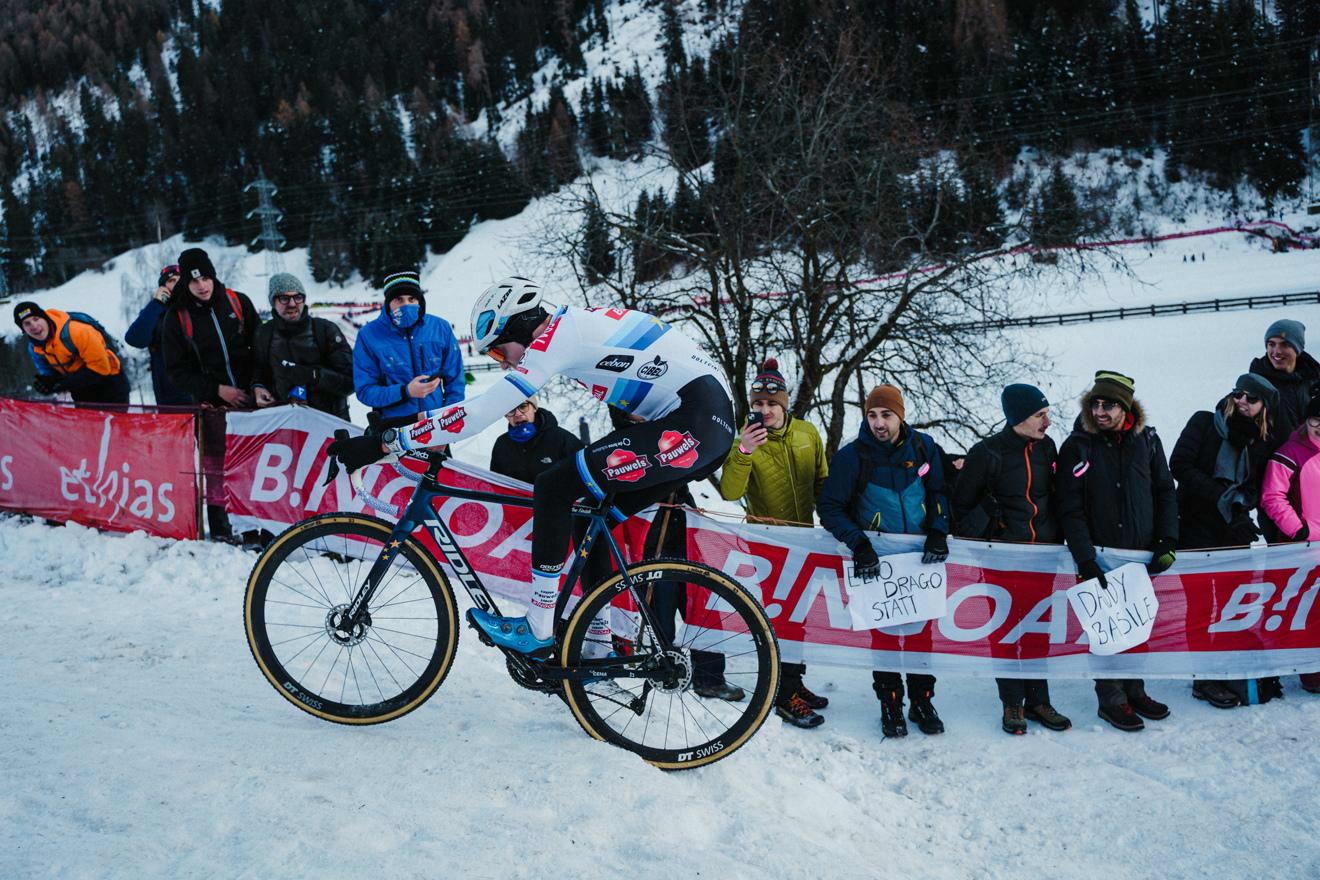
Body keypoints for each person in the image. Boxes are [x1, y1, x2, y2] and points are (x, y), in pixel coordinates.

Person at [328, 277, 737, 663]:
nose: (501, 362)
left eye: (497, 350)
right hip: (701, 425)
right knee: (588, 513)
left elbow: (479, 412)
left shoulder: (558, 335)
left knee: (554, 486)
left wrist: (388, 440)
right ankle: (597, 648)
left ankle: (538, 628)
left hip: (694, 422)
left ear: (519, 324)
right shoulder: (574, 327)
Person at [817, 384, 950, 738]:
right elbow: (829, 508)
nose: (879, 423)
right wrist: (858, 543)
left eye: (886, 415)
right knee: (885, 635)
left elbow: (939, 491)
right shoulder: (852, 457)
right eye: (872, 415)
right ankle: (890, 701)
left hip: (920, 561)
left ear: (900, 415)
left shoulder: (923, 447)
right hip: (877, 561)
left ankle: (922, 700)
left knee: (922, 635)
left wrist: (938, 528)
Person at [1056, 370, 1178, 732]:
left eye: (1108, 404)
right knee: (1107, 628)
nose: (1100, 411)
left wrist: (1167, 540)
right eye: (1095, 403)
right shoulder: (1077, 446)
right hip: (1099, 554)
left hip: (1140, 553)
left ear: (1126, 408)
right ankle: (1111, 698)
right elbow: (1069, 507)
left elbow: (1165, 492)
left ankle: (1134, 689)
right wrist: (1084, 556)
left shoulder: (1149, 442)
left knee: (1137, 624)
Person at [952, 383, 1072, 736]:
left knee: (1039, 630)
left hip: (1043, 556)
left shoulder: (1047, 447)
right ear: (1018, 417)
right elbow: (961, 509)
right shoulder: (987, 453)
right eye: (1040, 414)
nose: (1047, 421)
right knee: (1006, 631)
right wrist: (992, 526)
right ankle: (1011, 703)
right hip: (1003, 560)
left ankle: (1039, 699)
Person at [717, 358, 831, 728]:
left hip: (805, 537)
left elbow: (822, 481)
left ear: (784, 405)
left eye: (771, 404)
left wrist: (833, 524)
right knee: (780, 618)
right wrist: (744, 451)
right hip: (767, 542)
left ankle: (795, 682)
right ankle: (782, 695)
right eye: (758, 405)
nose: (764, 411)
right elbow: (730, 491)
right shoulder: (742, 439)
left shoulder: (807, 433)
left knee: (801, 618)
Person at [1170, 373, 1281, 709]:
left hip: (1232, 529)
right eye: (1239, 394)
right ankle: (1204, 679)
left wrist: (1239, 510)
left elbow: (1256, 487)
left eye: (1251, 398)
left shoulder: (1262, 441)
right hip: (1194, 526)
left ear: (1263, 406)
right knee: (1201, 606)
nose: (1243, 401)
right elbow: (1180, 465)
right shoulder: (1205, 423)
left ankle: (1230, 668)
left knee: (1235, 602)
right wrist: (1223, 499)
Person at [159, 246, 260, 541]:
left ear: (213, 276)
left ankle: (258, 528)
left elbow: (261, 349)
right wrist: (217, 390)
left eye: (205, 278)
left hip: (252, 403)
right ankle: (221, 529)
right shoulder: (176, 319)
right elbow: (177, 371)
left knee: (253, 466)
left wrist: (257, 385)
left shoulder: (238, 302)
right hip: (212, 407)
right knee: (218, 468)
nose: (201, 286)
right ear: (184, 284)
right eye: (193, 281)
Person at [1259, 386, 1320, 695]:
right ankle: (1310, 669)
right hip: (1303, 548)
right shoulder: (1291, 452)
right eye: (1315, 419)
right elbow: (1272, 496)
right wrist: (1298, 531)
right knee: (1304, 609)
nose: (1319, 424)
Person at [352, 270, 464, 426]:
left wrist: (447, 424)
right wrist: (405, 391)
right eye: (399, 299)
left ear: (419, 301)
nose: (406, 305)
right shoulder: (368, 335)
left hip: (435, 425)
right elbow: (365, 391)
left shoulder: (440, 328)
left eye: (412, 299)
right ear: (388, 303)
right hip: (394, 429)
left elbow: (455, 381)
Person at [251, 272, 355, 419]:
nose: (292, 304)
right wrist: (258, 387)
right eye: (284, 298)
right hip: (285, 422)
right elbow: (259, 371)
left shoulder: (325, 330)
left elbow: (351, 382)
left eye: (298, 297)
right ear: (273, 302)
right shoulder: (264, 333)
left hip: (330, 421)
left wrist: (315, 376)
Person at [13, 302, 130, 404]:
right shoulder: (35, 349)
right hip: (82, 393)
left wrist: (62, 384)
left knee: (116, 428)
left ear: (45, 318)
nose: (34, 326)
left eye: (36, 319)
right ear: (23, 330)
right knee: (88, 429)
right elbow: (49, 373)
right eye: (27, 323)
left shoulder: (77, 331)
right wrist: (48, 384)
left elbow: (101, 369)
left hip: (111, 386)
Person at [124, 264, 191, 406]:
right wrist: (156, 303)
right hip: (170, 394)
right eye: (172, 281)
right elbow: (135, 339)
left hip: (202, 389)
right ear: (164, 287)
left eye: (180, 280)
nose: (177, 284)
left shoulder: (200, 306)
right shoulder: (155, 312)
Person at [1249, 320, 1319, 440]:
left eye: (1285, 345)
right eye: (1271, 344)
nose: (1277, 351)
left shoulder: (1314, 378)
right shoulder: (1257, 382)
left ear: (1298, 349)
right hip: (1277, 456)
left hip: (1312, 455)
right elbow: (1235, 408)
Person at [489, 396, 583, 484]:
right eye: (510, 410)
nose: (517, 414)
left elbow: (585, 478)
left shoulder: (562, 439)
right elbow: (496, 484)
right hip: (515, 501)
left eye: (523, 406)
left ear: (534, 408)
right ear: (506, 416)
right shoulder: (502, 444)